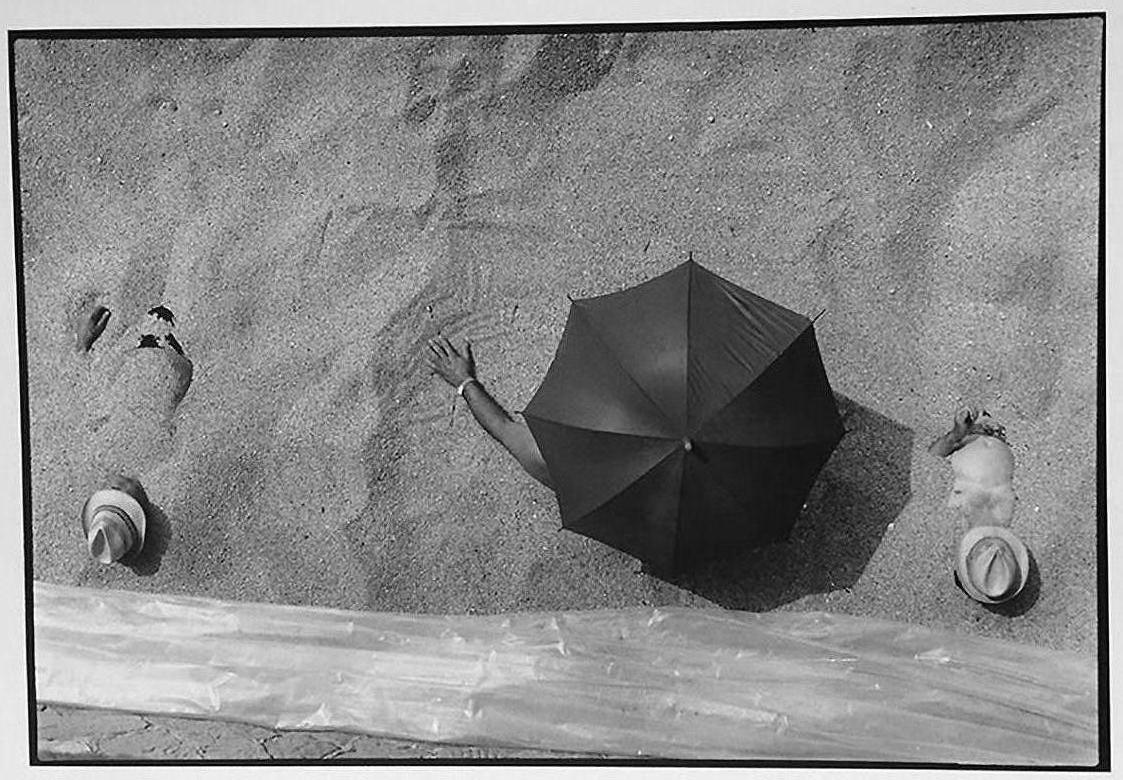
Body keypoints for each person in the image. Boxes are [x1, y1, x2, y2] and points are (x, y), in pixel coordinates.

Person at [424, 335, 552, 488]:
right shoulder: (573, 477)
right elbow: (502, 427)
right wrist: (464, 382)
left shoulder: (553, 460)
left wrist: (463, 381)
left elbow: (502, 427)